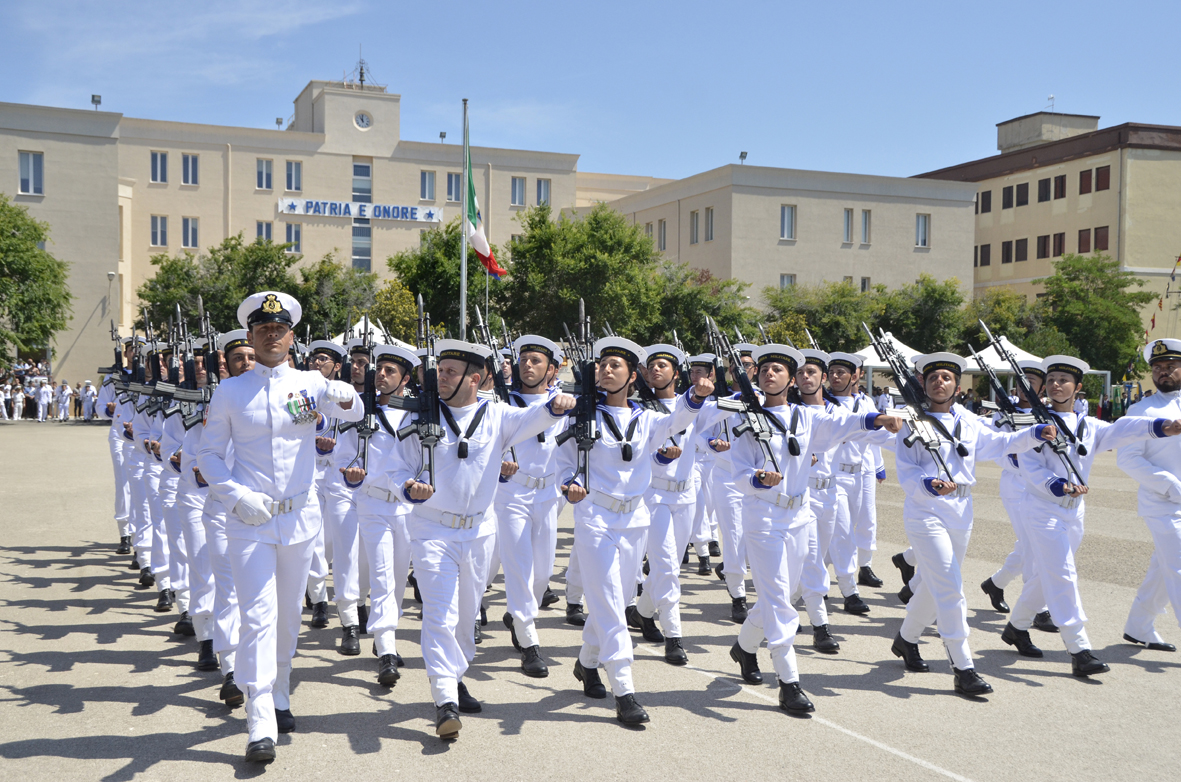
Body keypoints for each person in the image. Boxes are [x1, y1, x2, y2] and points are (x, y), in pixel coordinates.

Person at [198, 291, 362, 765]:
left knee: (290, 615)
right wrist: (236, 496)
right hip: (250, 520)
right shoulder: (230, 391)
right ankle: (259, 716)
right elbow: (208, 455)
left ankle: (282, 687)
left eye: (280, 329)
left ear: (292, 337)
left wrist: (344, 393)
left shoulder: (311, 381)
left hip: (299, 517)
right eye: (263, 329)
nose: (272, 336)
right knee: (257, 617)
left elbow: (354, 413)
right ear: (251, 336)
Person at [386, 338, 575, 741]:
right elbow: (390, 467)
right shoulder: (417, 417)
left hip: (479, 530)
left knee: (467, 618)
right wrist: (406, 485)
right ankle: (444, 700)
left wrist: (558, 406)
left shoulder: (498, 415)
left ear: (476, 378)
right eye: (440, 371)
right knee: (439, 614)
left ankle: (455, 676)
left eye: (451, 372)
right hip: (432, 529)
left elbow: (537, 417)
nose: (442, 377)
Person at [727, 343, 903, 713]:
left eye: (779, 370)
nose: (769, 374)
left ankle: (744, 647)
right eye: (764, 369)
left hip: (801, 516)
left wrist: (876, 420)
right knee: (777, 597)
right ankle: (789, 681)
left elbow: (844, 424)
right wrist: (757, 478)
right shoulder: (745, 418)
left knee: (785, 592)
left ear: (792, 380)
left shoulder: (807, 418)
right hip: (764, 516)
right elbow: (738, 471)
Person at [556, 337, 710, 726]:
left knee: (618, 595)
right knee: (610, 604)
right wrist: (569, 484)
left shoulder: (646, 419)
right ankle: (624, 690)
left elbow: (677, 421)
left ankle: (587, 663)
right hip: (595, 519)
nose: (606, 370)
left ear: (632, 376)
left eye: (616, 365)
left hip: (635, 519)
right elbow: (560, 462)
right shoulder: (580, 417)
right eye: (602, 364)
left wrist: (695, 395)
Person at [891, 352, 1058, 695]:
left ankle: (906, 639)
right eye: (933, 377)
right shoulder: (910, 420)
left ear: (957, 385)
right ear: (922, 383)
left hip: (962, 508)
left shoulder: (968, 421)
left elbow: (1000, 445)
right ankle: (963, 666)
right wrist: (927, 483)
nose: (940, 382)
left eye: (947, 378)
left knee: (935, 584)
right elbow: (906, 470)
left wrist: (1035, 433)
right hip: (925, 510)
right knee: (951, 587)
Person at [1003, 354, 1181, 676]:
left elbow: (1124, 429)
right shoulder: (1035, 425)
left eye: (1064, 381)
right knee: (1064, 575)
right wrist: (1056, 485)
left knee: (1049, 575)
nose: (1057, 385)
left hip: (1075, 512)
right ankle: (1079, 648)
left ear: (1078, 387)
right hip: (1043, 510)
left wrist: (1161, 427)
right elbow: (1027, 466)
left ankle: (1016, 627)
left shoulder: (1089, 426)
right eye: (1052, 380)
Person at [494, 335, 568, 677]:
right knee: (520, 570)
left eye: (537, 361)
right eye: (524, 359)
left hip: (548, 495)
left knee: (542, 574)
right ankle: (529, 642)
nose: (527, 365)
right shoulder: (499, 401)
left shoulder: (564, 403)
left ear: (551, 369)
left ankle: (517, 614)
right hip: (511, 494)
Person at [978, 359, 1056, 633]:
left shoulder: (1047, 414)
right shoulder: (1002, 415)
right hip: (1016, 485)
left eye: (1031, 383)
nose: (1025, 388)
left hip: (1044, 487)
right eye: (1021, 383)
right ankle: (1038, 609)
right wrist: (1024, 464)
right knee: (1033, 544)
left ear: (1041, 387)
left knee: (1029, 543)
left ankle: (996, 583)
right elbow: (999, 452)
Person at [1118, 339, 1181, 653]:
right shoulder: (1141, 410)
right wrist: (1170, 484)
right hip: (1164, 503)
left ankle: (1139, 626)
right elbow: (1127, 457)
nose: (1163, 372)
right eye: (1158, 368)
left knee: (1164, 567)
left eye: (1170, 366)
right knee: (1179, 567)